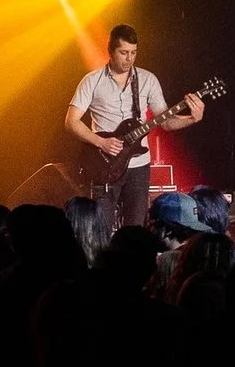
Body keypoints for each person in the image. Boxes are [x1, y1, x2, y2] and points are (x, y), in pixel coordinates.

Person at [65, 23, 205, 244]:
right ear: (110, 51)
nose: (129, 59)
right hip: (105, 166)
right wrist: (100, 142)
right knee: (100, 228)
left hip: (139, 166)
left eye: (133, 53)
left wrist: (191, 118)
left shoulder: (148, 80)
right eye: (123, 53)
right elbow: (71, 122)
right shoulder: (92, 81)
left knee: (136, 229)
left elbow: (165, 122)